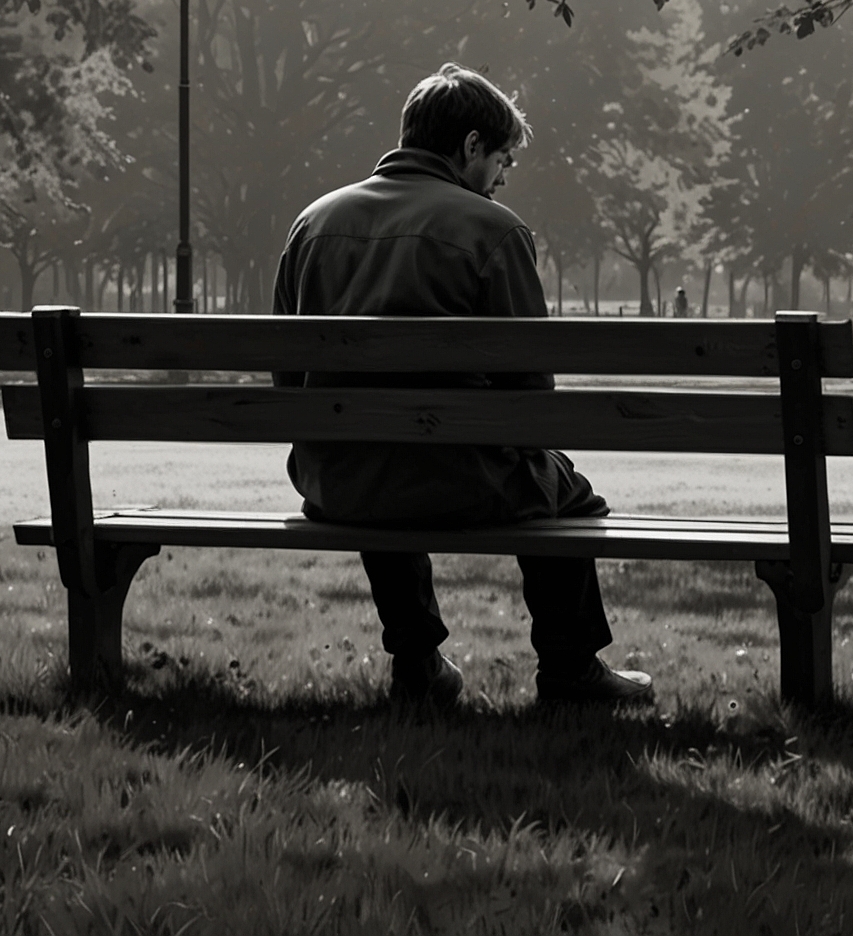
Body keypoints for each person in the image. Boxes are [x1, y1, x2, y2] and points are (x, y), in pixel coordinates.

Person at [272, 63, 652, 707]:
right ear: (471, 146)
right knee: (574, 497)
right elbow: (531, 394)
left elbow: (287, 378)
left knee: (377, 462)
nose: (503, 178)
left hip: (337, 481)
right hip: (464, 481)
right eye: (502, 159)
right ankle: (570, 670)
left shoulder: (313, 223)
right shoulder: (492, 230)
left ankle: (417, 663)